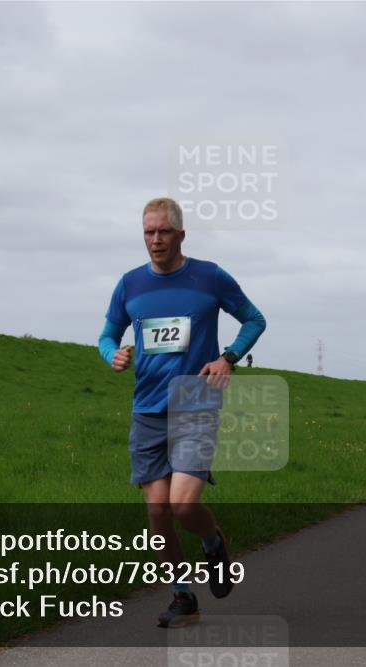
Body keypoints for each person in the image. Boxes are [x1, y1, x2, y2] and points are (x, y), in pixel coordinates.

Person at [98, 197, 266, 628]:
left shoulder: (209, 277)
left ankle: (213, 544)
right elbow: (107, 334)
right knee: (157, 514)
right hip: (148, 410)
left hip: (196, 404)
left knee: (183, 505)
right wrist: (111, 355)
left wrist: (228, 357)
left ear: (181, 235)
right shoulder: (130, 284)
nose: (156, 240)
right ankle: (183, 596)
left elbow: (254, 319)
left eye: (164, 232)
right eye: (149, 232)